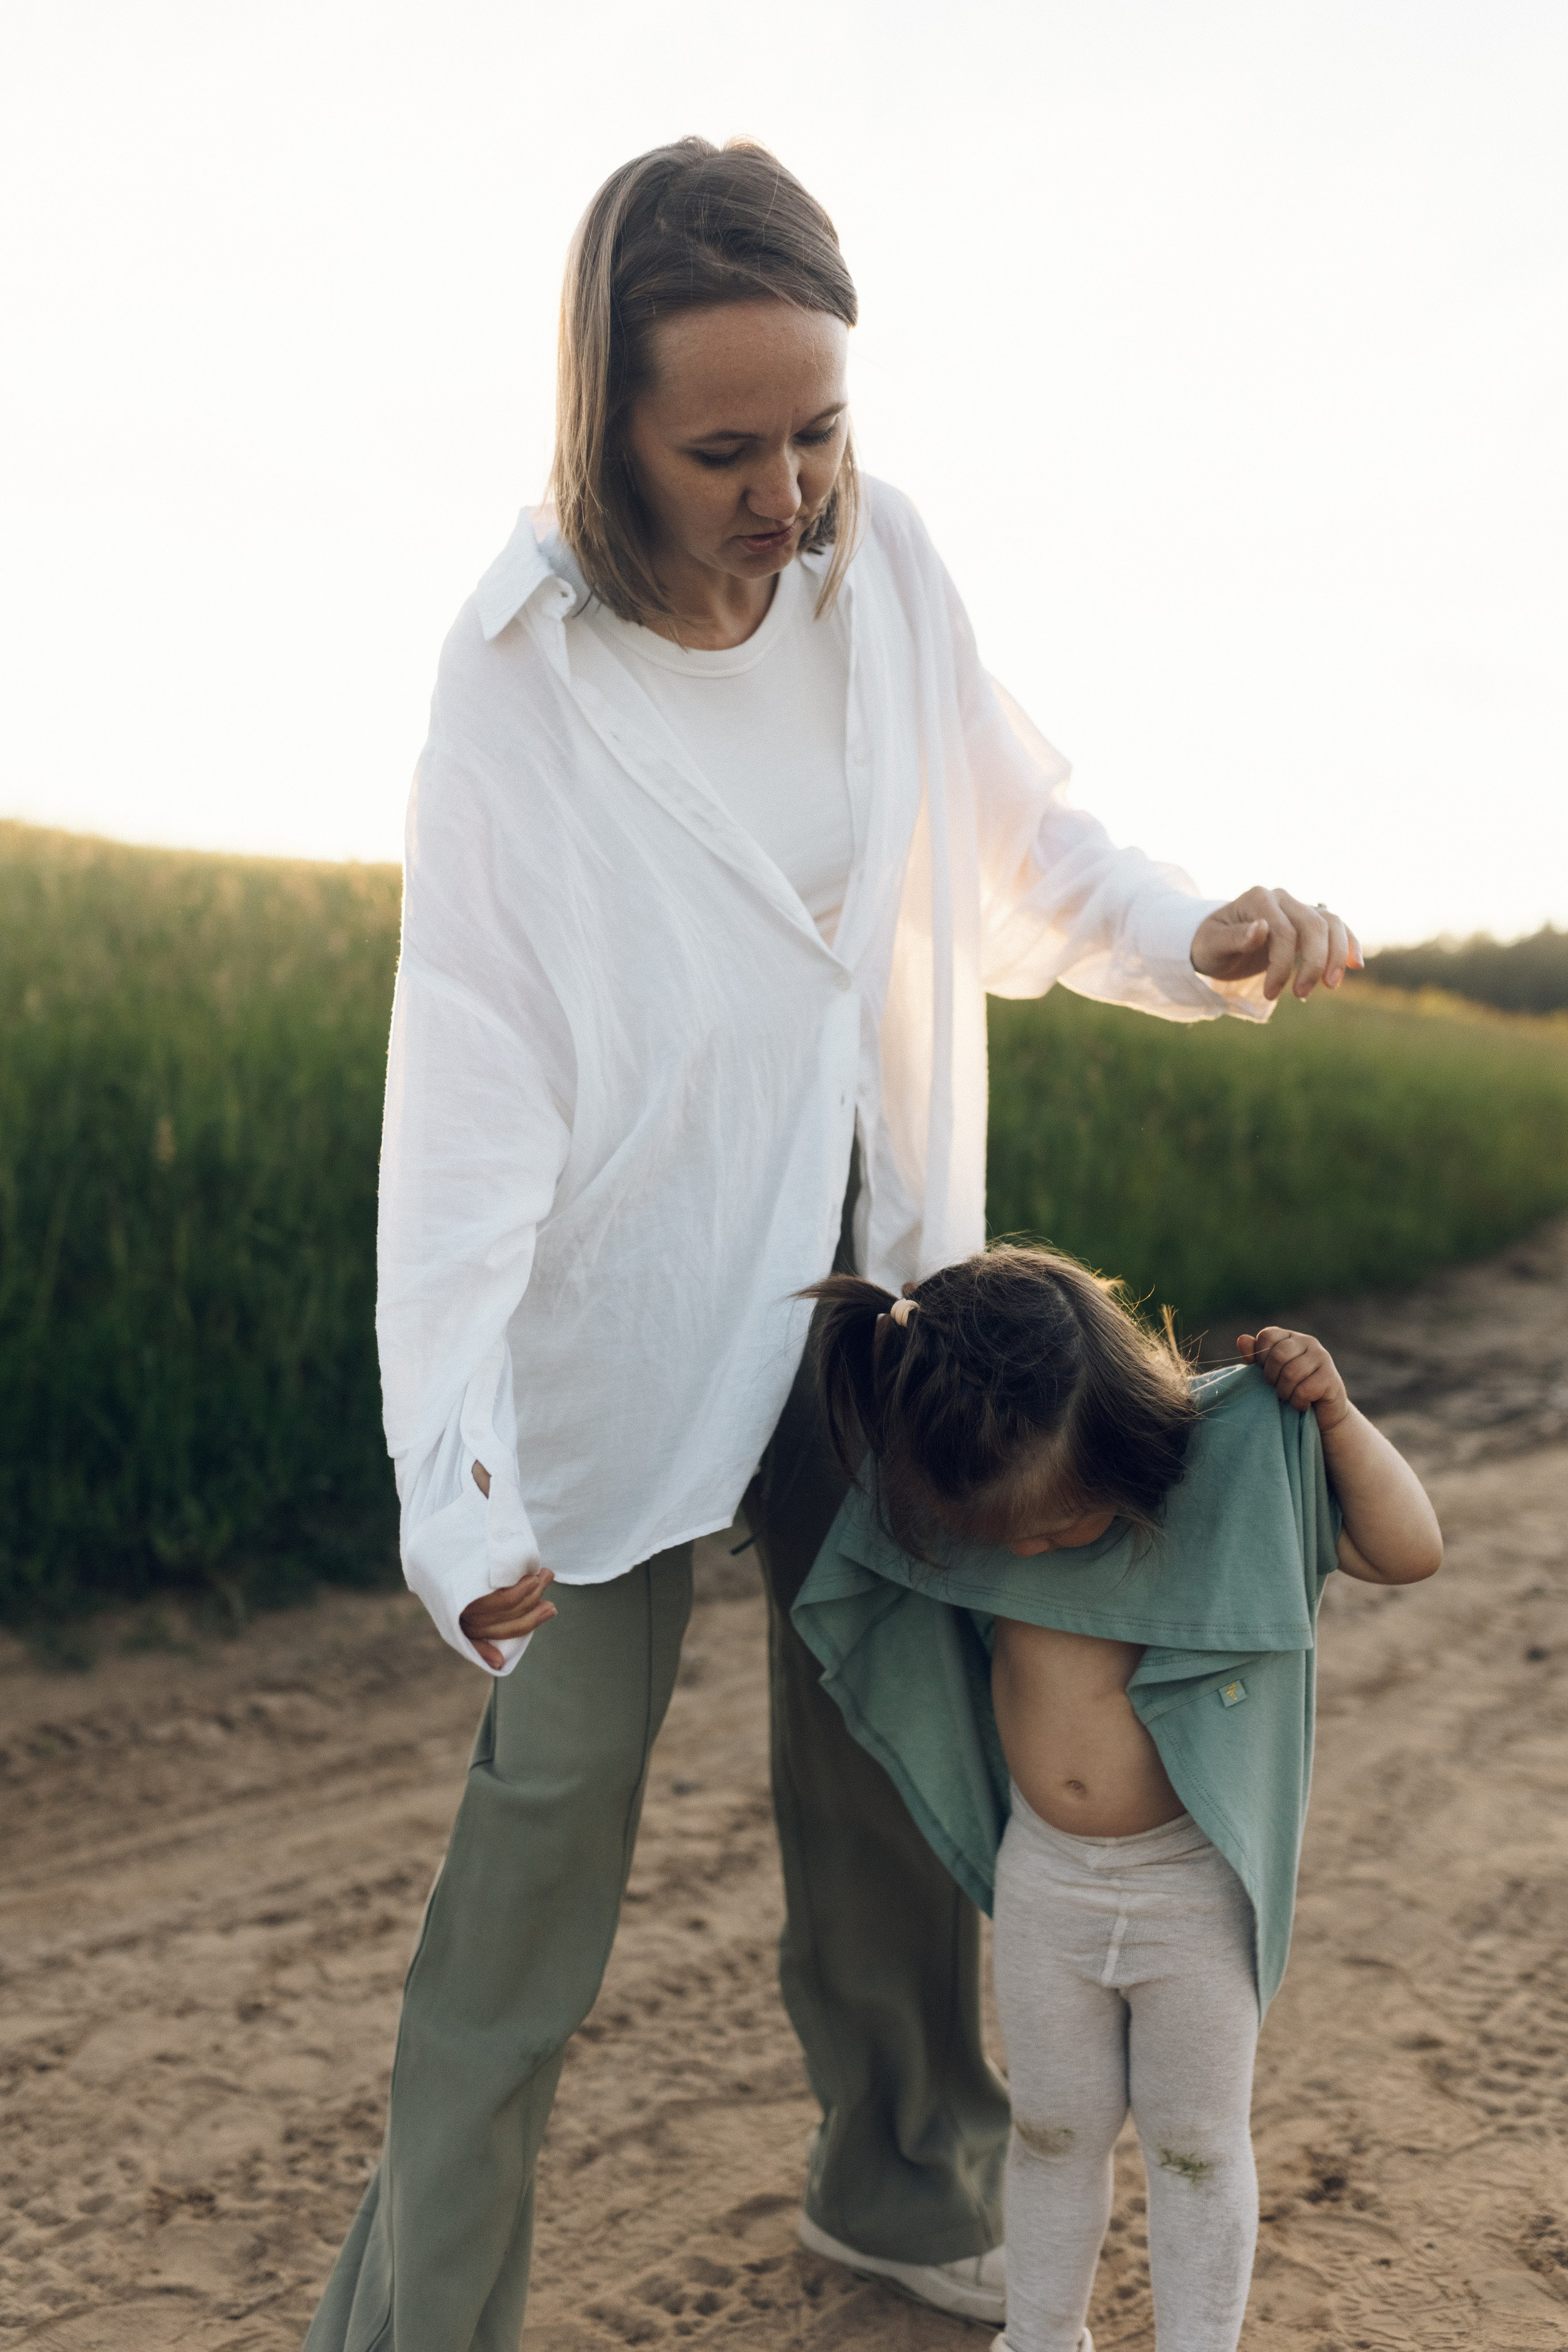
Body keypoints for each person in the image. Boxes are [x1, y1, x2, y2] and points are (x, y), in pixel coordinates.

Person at [305, 135, 1362, 2351]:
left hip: (875, 1305)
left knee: (899, 1760)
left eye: (822, 429)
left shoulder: (888, 578)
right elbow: (470, 1102)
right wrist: (454, 1469)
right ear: (607, 421)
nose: (790, 489)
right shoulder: (520, 684)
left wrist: (1204, 930)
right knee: (544, 1843)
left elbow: (1024, 845)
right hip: (619, 1331)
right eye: (727, 446)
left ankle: (908, 2184)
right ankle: (417, 2319)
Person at [791, 1248, 1442, 2352]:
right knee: (1050, 2133)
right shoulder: (959, 1501)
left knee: (1195, 2143)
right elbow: (880, 1546)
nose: (1041, 1545)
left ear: (1125, 1439)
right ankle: (1041, 2338)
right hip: (1046, 1882)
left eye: (1068, 1518)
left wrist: (1332, 1418)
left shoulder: (1221, 1479)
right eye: (1020, 1536)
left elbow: (1408, 1549)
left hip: (1192, 1887)